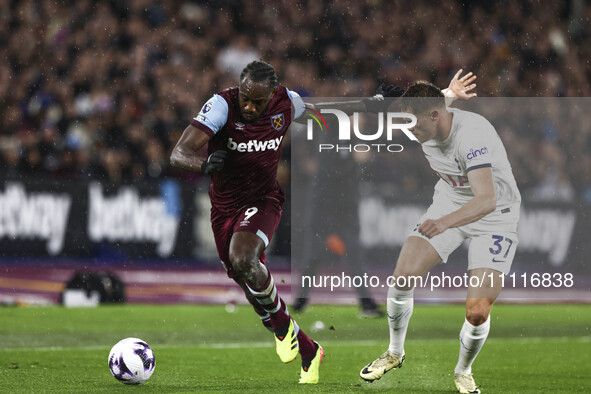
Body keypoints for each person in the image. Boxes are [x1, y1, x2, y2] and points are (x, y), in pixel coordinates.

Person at [170, 60, 393, 384]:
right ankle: (308, 349)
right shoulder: (222, 105)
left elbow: (325, 111)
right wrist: (203, 164)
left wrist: (371, 105)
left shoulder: (286, 103)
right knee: (245, 276)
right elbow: (178, 153)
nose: (248, 106)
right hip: (223, 208)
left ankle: (284, 328)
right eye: (245, 97)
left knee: (243, 257)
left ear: (271, 95)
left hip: (264, 201)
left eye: (257, 102)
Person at [359, 74, 521, 394]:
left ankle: (463, 371)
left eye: (414, 125)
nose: (410, 130)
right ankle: (394, 352)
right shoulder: (426, 115)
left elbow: (486, 199)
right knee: (402, 276)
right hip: (449, 200)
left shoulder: (472, 136)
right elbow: (426, 104)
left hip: (495, 213)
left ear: (435, 116)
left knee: (477, 312)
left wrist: (446, 222)